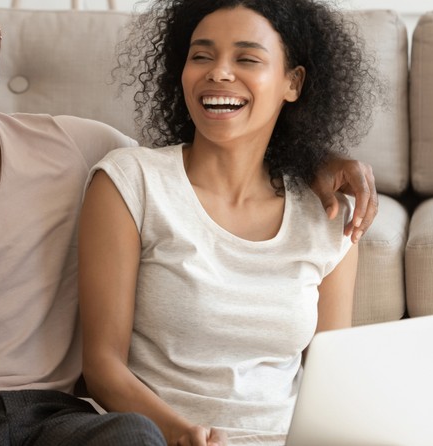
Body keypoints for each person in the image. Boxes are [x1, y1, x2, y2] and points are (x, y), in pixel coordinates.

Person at [0, 0, 376, 445]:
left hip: (56, 417)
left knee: (132, 439)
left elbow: (205, 160)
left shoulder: (77, 146)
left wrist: (314, 161)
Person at [78, 0, 380, 445]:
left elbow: (331, 380)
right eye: (201, 55)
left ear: (292, 83)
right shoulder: (131, 182)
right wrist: (182, 435)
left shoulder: (327, 215)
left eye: (246, 58)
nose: (218, 72)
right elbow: (103, 369)